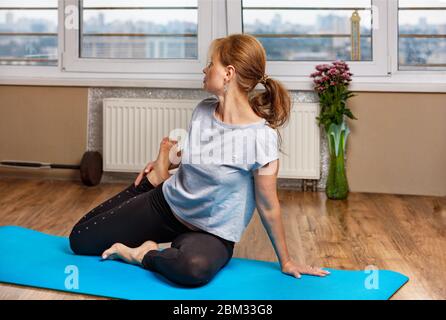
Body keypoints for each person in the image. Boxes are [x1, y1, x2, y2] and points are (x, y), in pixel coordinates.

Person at [69, 33, 329, 287]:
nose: (204, 70)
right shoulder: (203, 110)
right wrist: (164, 161)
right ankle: (153, 181)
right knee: (80, 240)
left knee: (193, 269)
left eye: (210, 63)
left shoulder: (261, 138)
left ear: (228, 73)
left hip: (210, 233)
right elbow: (197, 153)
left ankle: (142, 253)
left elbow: (268, 206)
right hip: (166, 206)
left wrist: (287, 261)